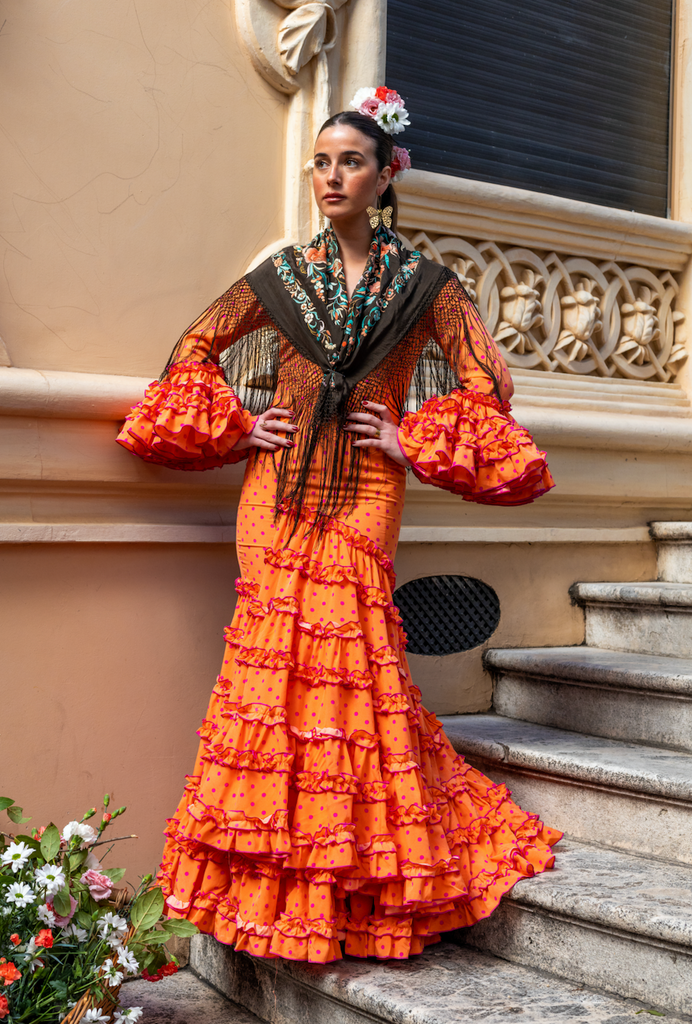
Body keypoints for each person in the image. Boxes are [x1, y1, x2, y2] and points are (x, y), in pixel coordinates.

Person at [116, 87, 561, 965]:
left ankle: (355, 892)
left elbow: (487, 389)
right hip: (273, 491)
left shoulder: (429, 286)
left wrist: (409, 439)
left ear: (386, 173)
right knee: (272, 688)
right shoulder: (283, 275)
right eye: (319, 162)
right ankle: (270, 895)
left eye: (348, 161)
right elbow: (192, 351)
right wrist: (244, 427)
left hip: (367, 487)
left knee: (353, 680)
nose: (330, 176)